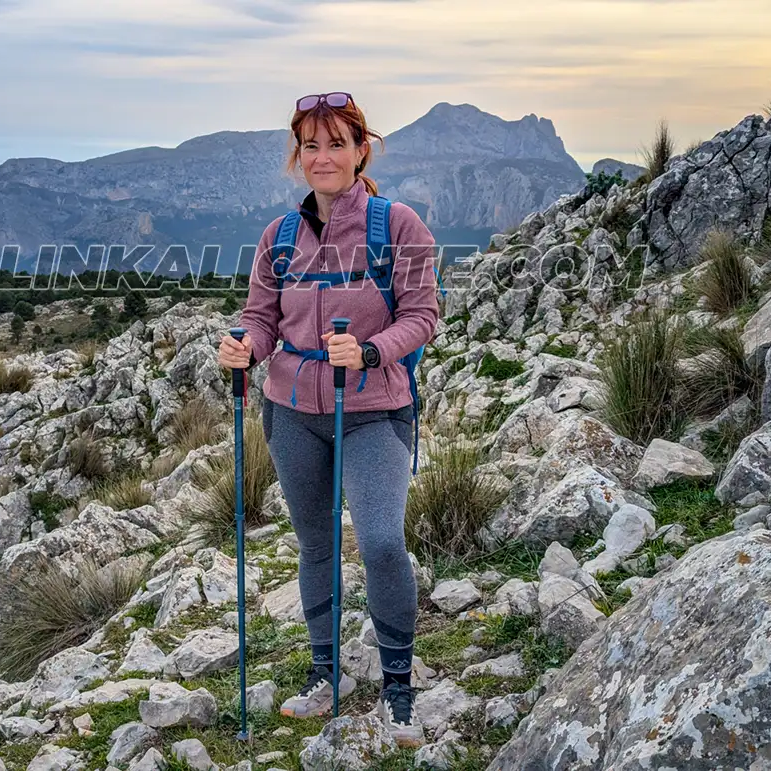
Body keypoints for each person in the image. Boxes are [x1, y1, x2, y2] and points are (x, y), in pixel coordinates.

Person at [217, 91, 439, 746]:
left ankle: (398, 685)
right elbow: (262, 318)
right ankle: (326, 672)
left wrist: (371, 350)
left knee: (378, 541)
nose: (323, 156)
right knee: (316, 543)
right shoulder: (278, 238)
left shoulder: (399, 227)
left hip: (374, 409)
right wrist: (245, 346)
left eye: (337, 143)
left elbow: (423, 315)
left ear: (361, 149)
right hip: (291, 410)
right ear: (297, 157)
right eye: (310, 145)